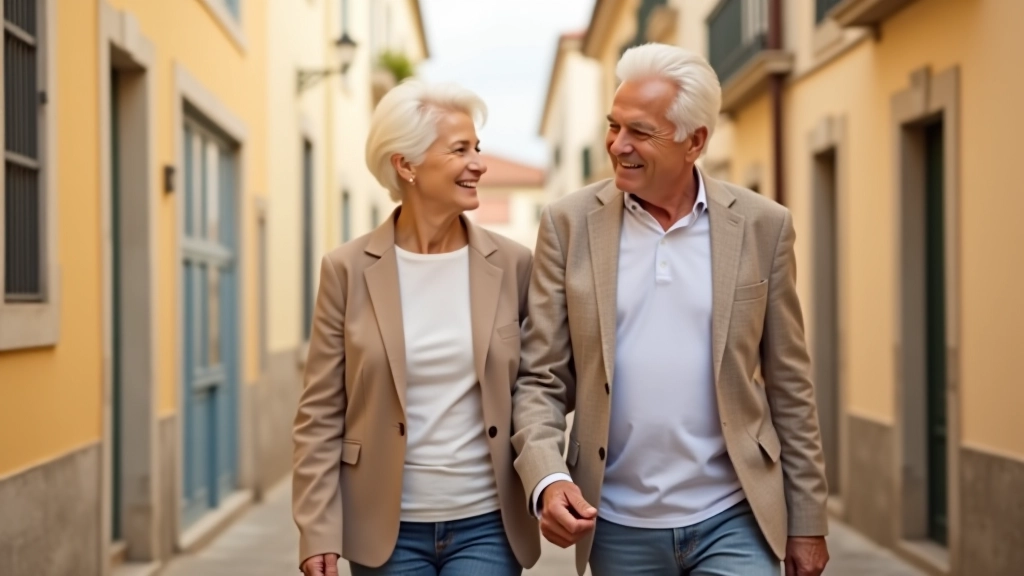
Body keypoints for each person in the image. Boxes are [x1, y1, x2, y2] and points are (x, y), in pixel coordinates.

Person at [511, 43, 830, 576]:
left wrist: (808, 518)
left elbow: (790, 384)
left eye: (640, 131)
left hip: (735, 515)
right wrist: (547, 477)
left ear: (695, 141)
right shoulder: (567, 225)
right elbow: (539, 376)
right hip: (615, 524)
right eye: (613, 127)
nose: (618, 145)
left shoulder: (762, 225)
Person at [293, 80, 539, 576]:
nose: (479, 163)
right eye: (460, 149)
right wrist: (316, 527)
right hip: (385, 531)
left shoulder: (513, 264)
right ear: (405, 164)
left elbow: (541, 385)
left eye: (478, 148)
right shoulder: (346, 270)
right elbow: (320, 412)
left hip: (487, 524)